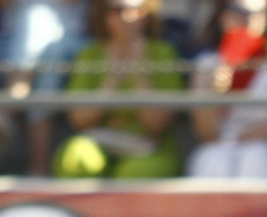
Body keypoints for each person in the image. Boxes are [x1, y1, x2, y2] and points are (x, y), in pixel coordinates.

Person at [55, 0, 186, 178]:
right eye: (117, 10)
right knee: (76, 160)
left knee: (135, 174)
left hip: (150, 147)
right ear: (103, 14)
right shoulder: (89, 54)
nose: (126, 18)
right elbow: (80, 120)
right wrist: (113, 79)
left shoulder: (163, 53)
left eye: (135, 10)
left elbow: (157, 124)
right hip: (99, 141)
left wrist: (138, 74)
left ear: (147, 13)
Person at [186, 0, 267, 179]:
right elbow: (205, 131)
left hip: (266, 145)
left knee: (256, 160)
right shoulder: (207, 64)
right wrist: (218, 92)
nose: (246, 19)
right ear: (222, 15)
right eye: (238, 11)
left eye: (256, 13)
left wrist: (240, 141)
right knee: (212, 162)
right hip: (219, 146)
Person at [0, 0, 83, 176]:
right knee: (37, 21)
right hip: (11, 43)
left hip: (73, 41)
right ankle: (39, 167)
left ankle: (10, 101)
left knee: (50, 47)